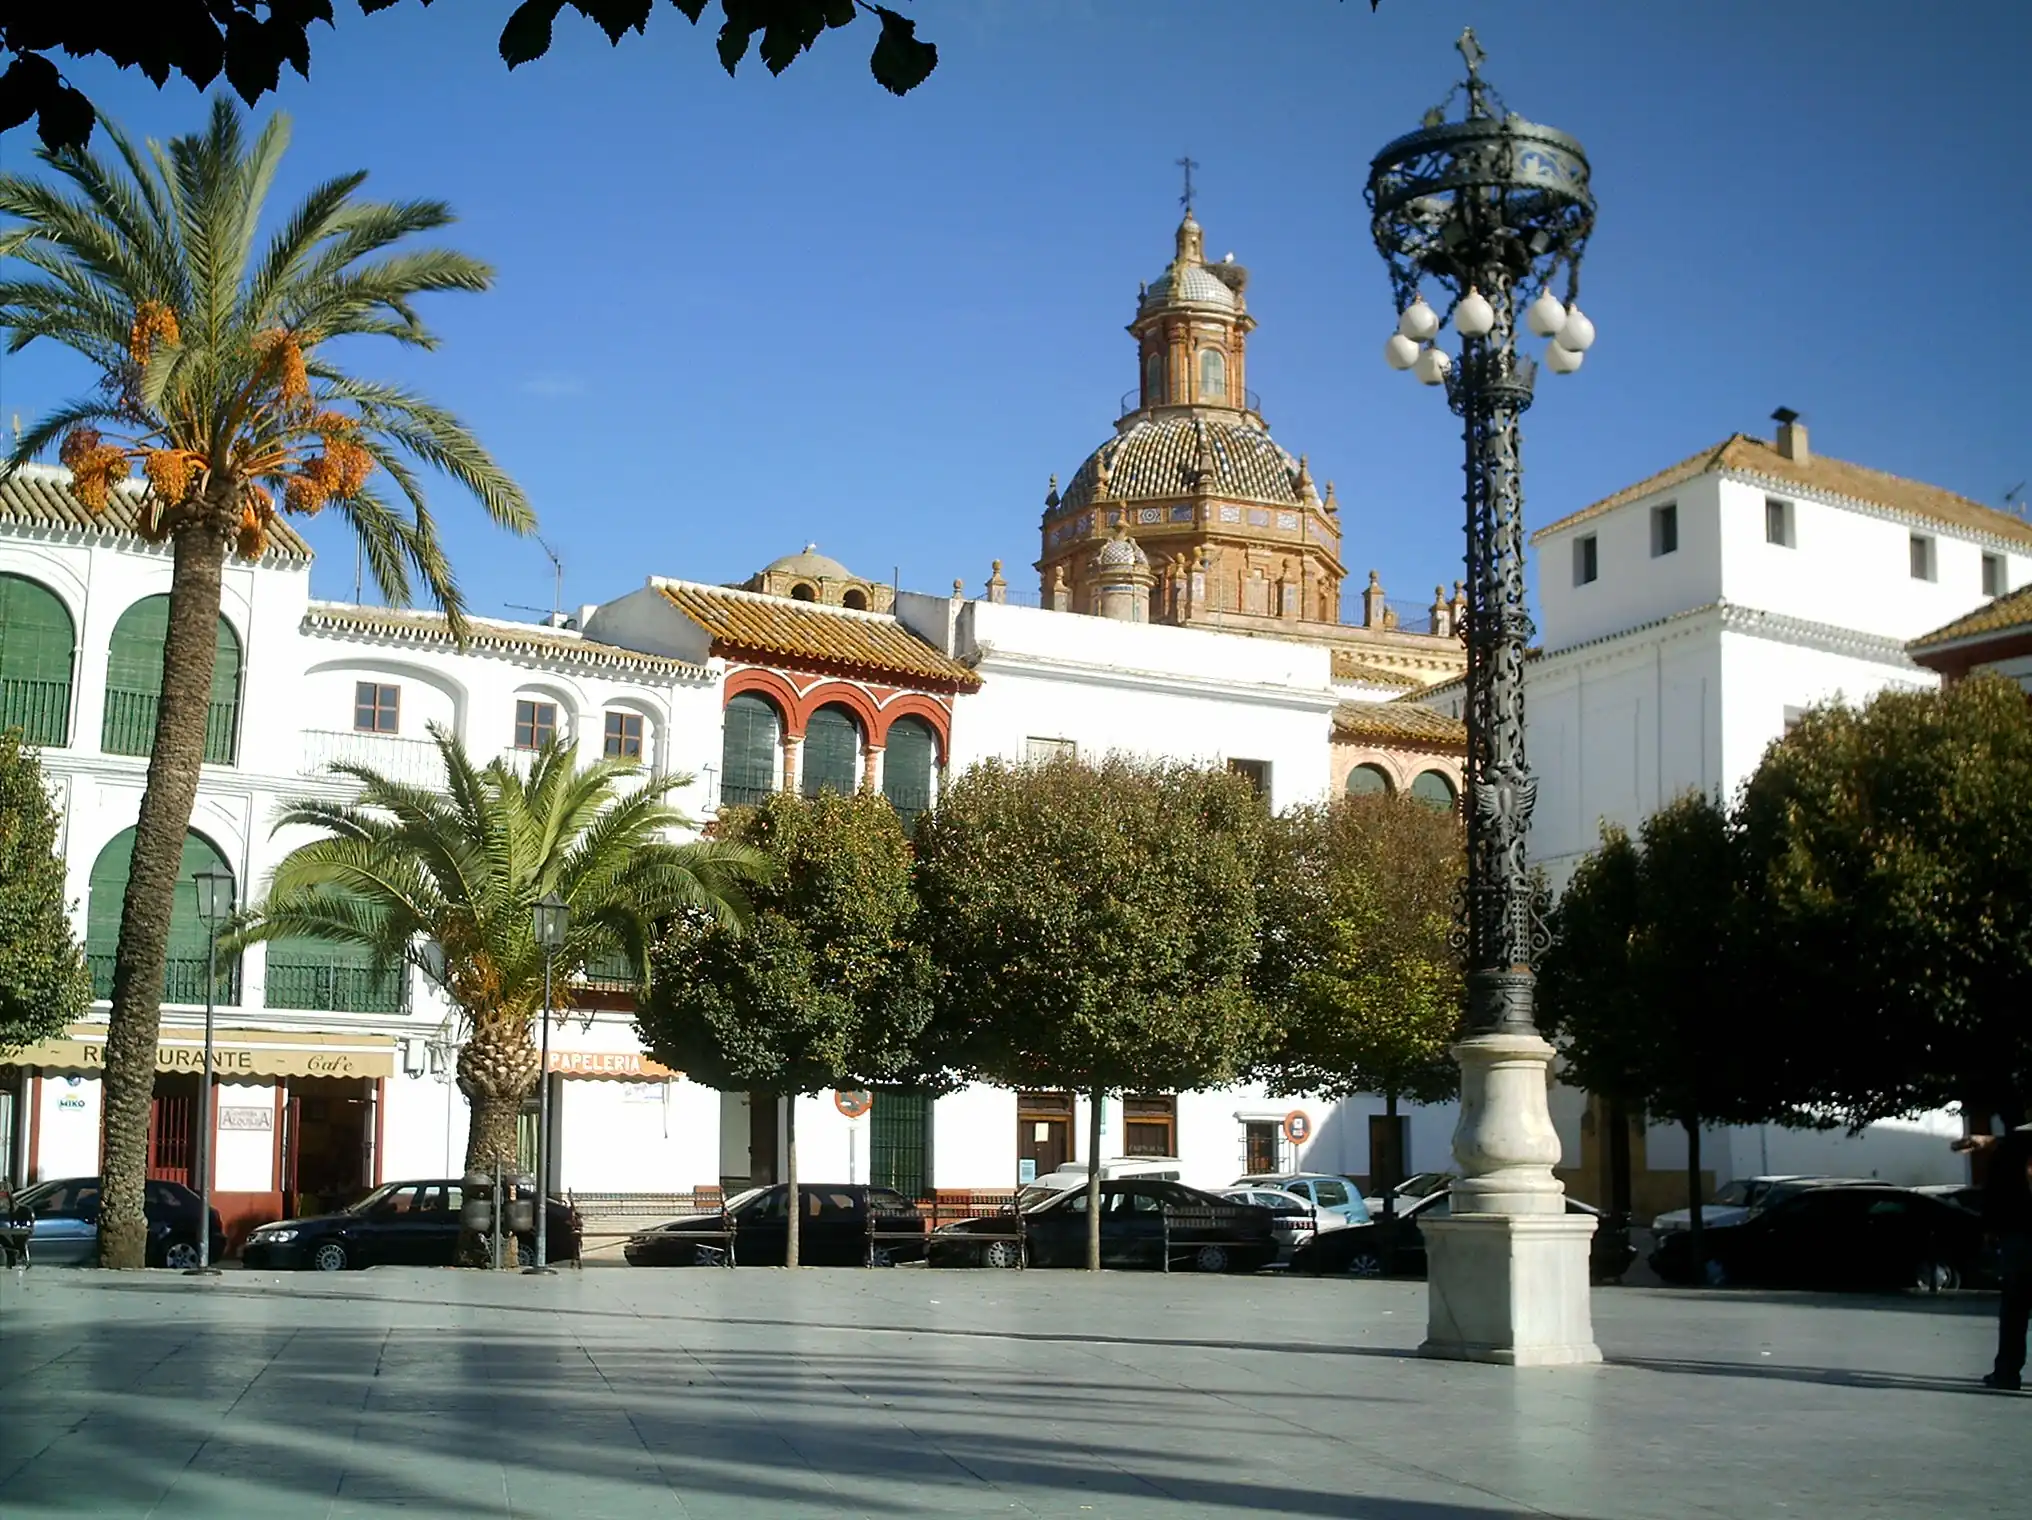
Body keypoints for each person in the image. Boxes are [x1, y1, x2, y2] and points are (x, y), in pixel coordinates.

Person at [1953, 1121, 2032, 1392]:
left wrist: (1990, 1228)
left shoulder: (2009, 1148)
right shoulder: (2009, 1145)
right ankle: (2007, 1371)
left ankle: (2007, 1372)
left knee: (2015, 1307)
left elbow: (1994, 1192)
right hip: (2018, 1233)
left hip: (2018, 1234)